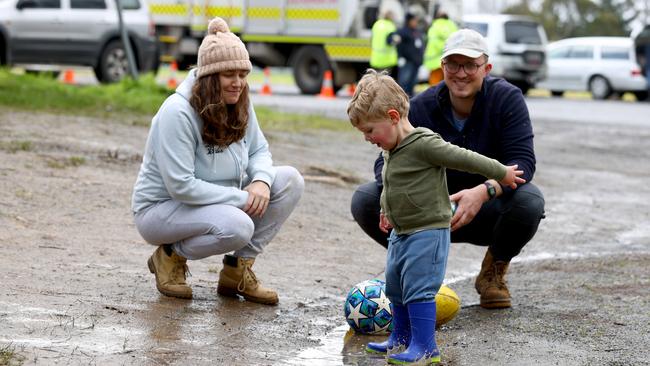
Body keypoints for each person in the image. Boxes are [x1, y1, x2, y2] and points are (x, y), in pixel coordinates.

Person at [350, 29, 546, 309]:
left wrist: (483, 191)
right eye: (452, 64)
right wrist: (387, 200)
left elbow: (523, 163)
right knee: (365, 199)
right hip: (427, 213)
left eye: (470, 65)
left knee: (530, 202)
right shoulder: (421, 106)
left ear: (486, 68)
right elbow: (385, 160)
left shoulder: (507, 99)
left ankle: (492, 274)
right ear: (442, 66)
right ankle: (419, 274)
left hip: (485, 209)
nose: (461, 73)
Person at [347, 69, 525, 364]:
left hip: (427, 231)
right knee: (396, 286)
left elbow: (465, 157)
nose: (367, 138)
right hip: (401, 232)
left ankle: (426, 347)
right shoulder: (392, 147)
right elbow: (391, 183)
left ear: (393, 117)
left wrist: (501, 172)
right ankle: (400, 338)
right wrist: (384, 210)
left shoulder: (424, 143)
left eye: (369, 131)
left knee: (418, 289)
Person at [131, 17, 304, 305]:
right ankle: (169, 256)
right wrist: (240, 198)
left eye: (242, 74)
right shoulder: (178, 112)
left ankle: (237, 272)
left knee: (289, 181)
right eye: (229, 75)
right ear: (210, 77)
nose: (238, 83)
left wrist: (261, 181)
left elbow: (259, 150)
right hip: (162, 209)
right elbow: (181, 186)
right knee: (238, 226)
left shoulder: (239, 102)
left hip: (217, 200)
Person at [423, 10, 458, 86]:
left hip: (434, 61)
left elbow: (431, 43)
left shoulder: (434, 27)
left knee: (434, 86)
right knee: (448, 84)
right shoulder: (453, 27)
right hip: (449, 59)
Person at [395, 12, 425, 97]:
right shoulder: (403, 31)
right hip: (407, 62)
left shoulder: (417, 31)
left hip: (416, 63)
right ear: (409, 21)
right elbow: (394, 39)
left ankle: (410, 100)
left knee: (413, 83)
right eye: (414, 20)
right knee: (404, 83)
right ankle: (401, 99)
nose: (416, 22)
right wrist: (400, 57)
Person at [370, 10, 399, 80]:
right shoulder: (390, 26)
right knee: (384, 81)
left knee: (376, 80)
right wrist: (397, 40)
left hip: (376, 58)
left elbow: (372, 39)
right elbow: (390, 41)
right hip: (386, 59)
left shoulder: (376, 24)